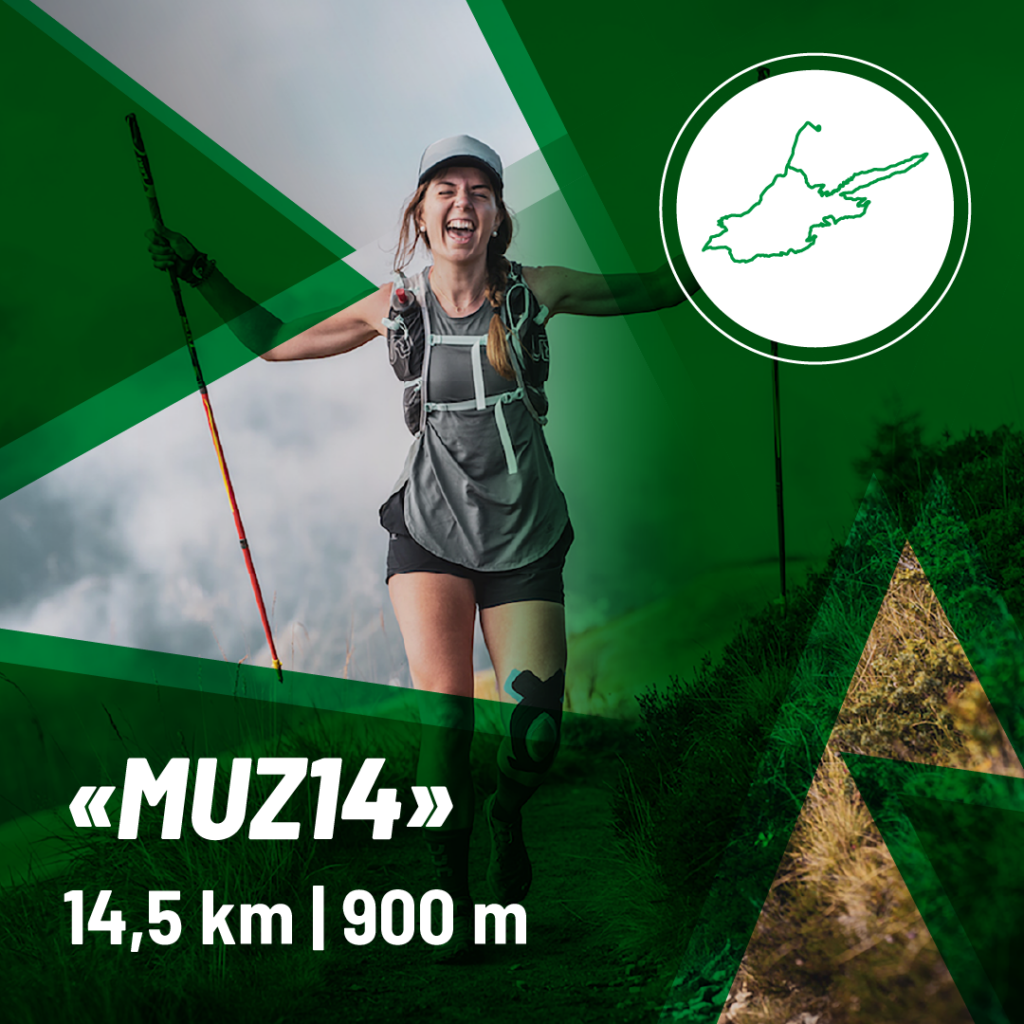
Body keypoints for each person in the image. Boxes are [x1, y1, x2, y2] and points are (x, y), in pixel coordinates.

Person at [147, 135, 699, 962]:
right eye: (445, 189)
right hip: (429, 535)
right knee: (443, 715)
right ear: (422, 211)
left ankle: (506, 818)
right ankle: (451, 895)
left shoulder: (534, 292)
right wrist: (201, 272)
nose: (462, 203)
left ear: (498, 216)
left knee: (538, 732)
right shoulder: (395, 307)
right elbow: (272, 341)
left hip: (524, 535)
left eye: (479, 190)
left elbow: (656, 290)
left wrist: (741, 250)